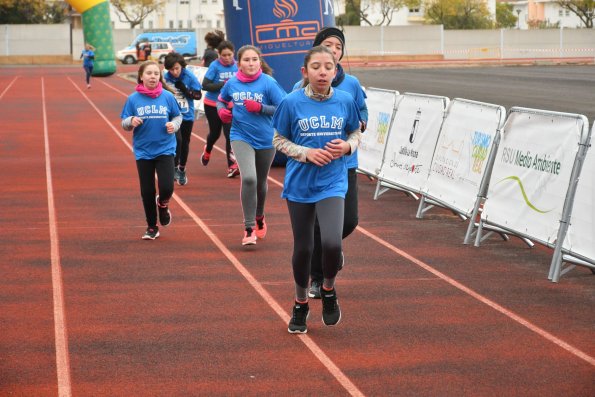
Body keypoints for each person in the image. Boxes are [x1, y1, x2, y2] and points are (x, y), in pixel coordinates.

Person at [273, 46, 362, 333]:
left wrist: (348, 146)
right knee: (304, 248)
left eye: (328, 66)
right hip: (300, 185)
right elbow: (278, 140)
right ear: (305, 72)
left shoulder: (346, 101)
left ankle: (328, 289)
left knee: (333, 243)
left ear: (336, 72)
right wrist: (305, 153)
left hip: (333, 182)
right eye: (316, 67)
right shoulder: (291, 102)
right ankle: (300, 304)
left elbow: (355, 131)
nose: (322, 71)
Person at [296, 27, 369, 300]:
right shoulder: (300, 87)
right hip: (314, 167)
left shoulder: (351, 83)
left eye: (338, 47)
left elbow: (362, 112)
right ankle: (317, 278)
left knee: (348, 222)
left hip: (344, 164)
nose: (334, 50)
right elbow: (288, 123)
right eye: (328, 45)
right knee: (317, 227)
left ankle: (332, 249)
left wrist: (359, 126)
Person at [217, 45, 286, 245]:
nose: (251, 63)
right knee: (249, 179)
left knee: (261, 181)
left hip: (266, 138)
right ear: (239, 63)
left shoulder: (268, 83)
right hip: (240, 136)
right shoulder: (232, 83)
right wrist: (222, 111)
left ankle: (259, 216)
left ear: (259, 61)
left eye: (254, 59)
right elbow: (221, 101)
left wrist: (261, 108)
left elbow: (283, 108)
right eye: (246, 60)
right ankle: (248, 228)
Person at [121, 61, 182, 240]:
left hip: (165, 148)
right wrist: (131, 120)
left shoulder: (167, 97)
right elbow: (124, 122)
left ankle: (163, 204)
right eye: (149, 73)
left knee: (167, 187)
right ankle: (151, 226)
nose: (153, 76)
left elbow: (177, 116)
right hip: (143, 150)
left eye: (156, 73)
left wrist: (174, 124)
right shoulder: (133, 99)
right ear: (141, 76)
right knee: (147, 191)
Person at [201, 40, 239, 178]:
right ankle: (208, 149)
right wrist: (223, 84)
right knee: (215, 134)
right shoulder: (214, 66)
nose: (227, 58)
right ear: (219, 55)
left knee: (230, 134)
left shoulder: (237, 66)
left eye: (229, 54)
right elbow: (205, 85)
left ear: (233, 53)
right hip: (213, 104)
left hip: (229, 105)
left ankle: (232, 166)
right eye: (224, 55)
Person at [163, 52, 202, 186]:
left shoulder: (189, 77)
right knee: (176, 140)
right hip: (171, 116)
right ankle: (173, 167)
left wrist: (184, 89)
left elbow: (198, 96)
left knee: (184, 142)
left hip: (187, 116)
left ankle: (182, 168)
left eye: (177, 68)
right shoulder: (165, 77)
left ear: (182, 66)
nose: (174, 72)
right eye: (171, 69)